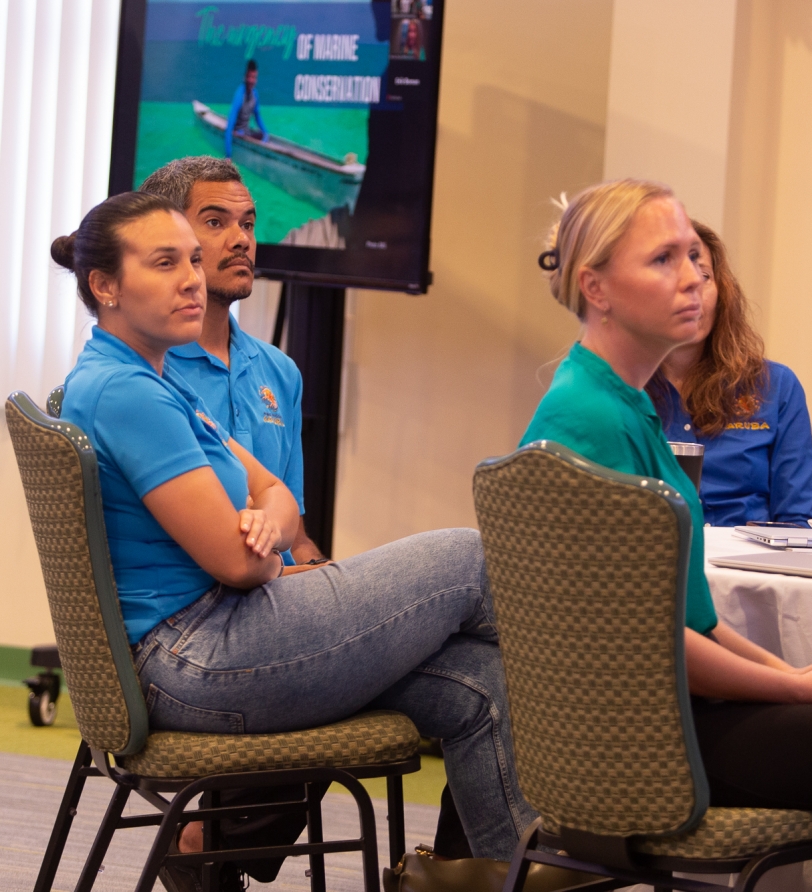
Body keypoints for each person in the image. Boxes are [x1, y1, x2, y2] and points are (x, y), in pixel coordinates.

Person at [521, 180, 812, 892]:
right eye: (663, 260)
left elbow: (693, 622)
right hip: (647, 744)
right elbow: (649, 646)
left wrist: (796, 678)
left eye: (694, 257)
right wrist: (798, 693)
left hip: (670, 714)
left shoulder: (618, 404)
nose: (694, 280)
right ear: (596, 287)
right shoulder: (589, 416)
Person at [52, 192, 536, 891]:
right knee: (469, 559)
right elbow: (238, 565)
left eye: (193, 259)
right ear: (105, 286)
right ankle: (617, 756)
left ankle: (509, 877)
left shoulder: (152, 377)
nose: (192, 277)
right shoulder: (127, 392)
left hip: (204, 647)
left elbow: (276, 497)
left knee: (479, 682)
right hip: (197, 658)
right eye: (165, 263)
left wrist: (269, 529)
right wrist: (266, 544)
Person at [140, 157, 323, 565]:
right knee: (462, 561)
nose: (241, 239)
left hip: (286, 595)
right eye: (215, 222)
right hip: (223, 602)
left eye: (248, 224)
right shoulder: (147, 374)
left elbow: (297, 539)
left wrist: (326, 579)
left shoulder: (281, 371)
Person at [649, 221, 812, 527]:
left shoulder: (775, 387)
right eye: (674, 277)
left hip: (747, 570)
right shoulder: (617, 389)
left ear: (723, 292)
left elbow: (795, 521)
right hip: (646, 566)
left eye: (703, 276)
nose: (692, 291)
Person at [225, 60, 269, 158]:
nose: (251, 80)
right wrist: (228, 155)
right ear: (245, 77)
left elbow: (257, 117)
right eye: (249, 77)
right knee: (240, 133)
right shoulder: (239, 95)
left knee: (262, 134)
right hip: (237, 132)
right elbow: (229, 125)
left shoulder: (255, 94)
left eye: (254, 77)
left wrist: (266, 133)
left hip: (246, 131)